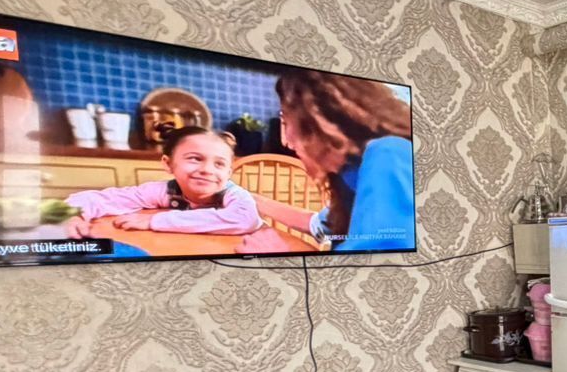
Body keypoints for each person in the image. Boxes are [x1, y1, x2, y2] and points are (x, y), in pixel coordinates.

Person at [238, 70, 415, 254]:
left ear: (315, 120)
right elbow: (318, 225)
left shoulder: (388, 153)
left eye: (286, 122)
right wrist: (248, 197)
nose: (285, 141)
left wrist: (280, 256)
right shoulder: (348, 173)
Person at [65, 126, 262, 237]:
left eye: (219, 164)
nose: (207, 170)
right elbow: (102, 198)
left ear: (228, 173)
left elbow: (245, 220)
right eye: (195, 159)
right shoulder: (165, 191)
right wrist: (71, 215)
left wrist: (155, 221)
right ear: (168, 164)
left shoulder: (233, 194)